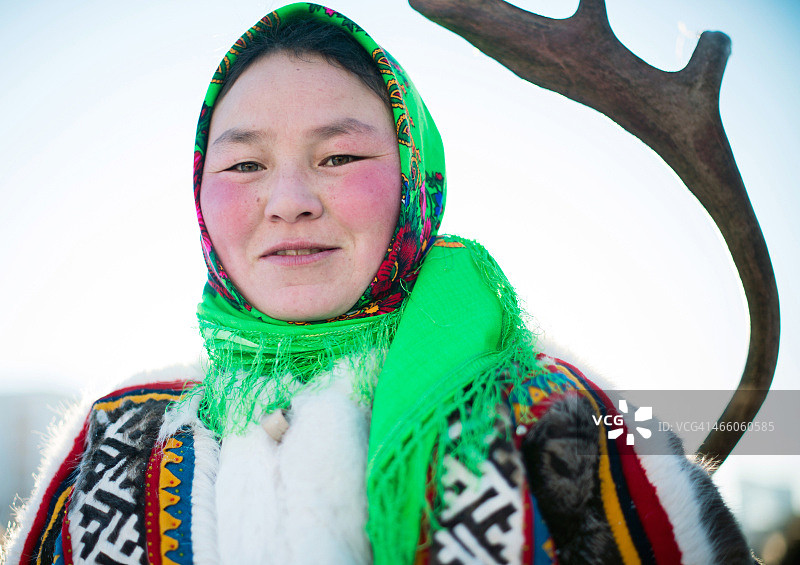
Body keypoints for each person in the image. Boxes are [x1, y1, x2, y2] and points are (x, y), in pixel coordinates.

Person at [3, 3, 755, 564]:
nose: (290, 199)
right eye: (243, 164)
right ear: (201, 195)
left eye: (339, 158)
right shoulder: (114, 436)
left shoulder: (562, 415)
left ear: (413, 179)